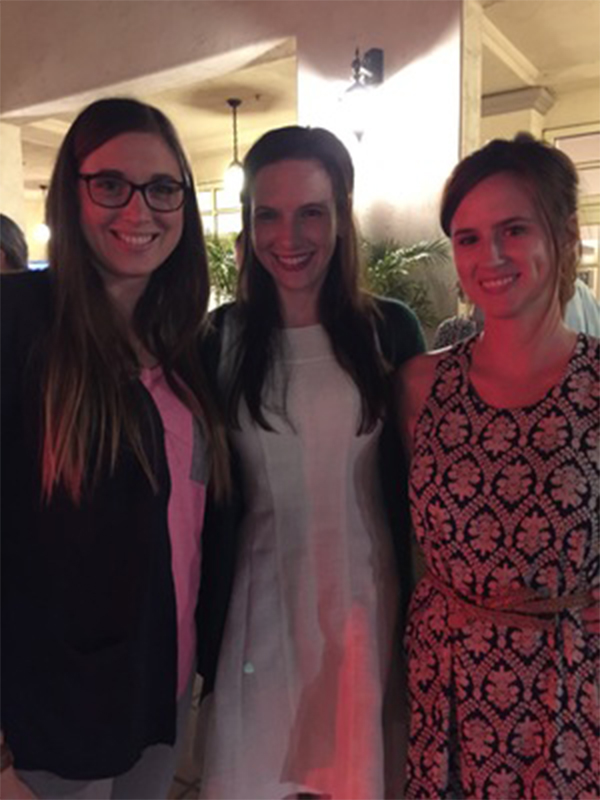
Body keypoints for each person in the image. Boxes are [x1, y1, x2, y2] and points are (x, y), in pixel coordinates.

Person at [1, 97, 228, 800]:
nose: (139, 209)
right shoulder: (16, 324)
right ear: (70, 196)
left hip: (158, 693)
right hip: (46, 722)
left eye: (162, 188)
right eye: (110, 184)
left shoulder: (183, 345)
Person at [198, 125, 425, 799]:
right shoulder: (221, 339)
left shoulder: (389, 329)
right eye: (268, 214)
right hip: (256, 609)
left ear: (342, 217)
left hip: (367, 605)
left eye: (311, 213)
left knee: (355, 775)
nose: (288, 237)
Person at [397, 133, 599, 799]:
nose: (491, 256)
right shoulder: (421, 385)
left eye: (514, 229)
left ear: (563, 234)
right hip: (447, 679)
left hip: (569, 686)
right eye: (468, 238)